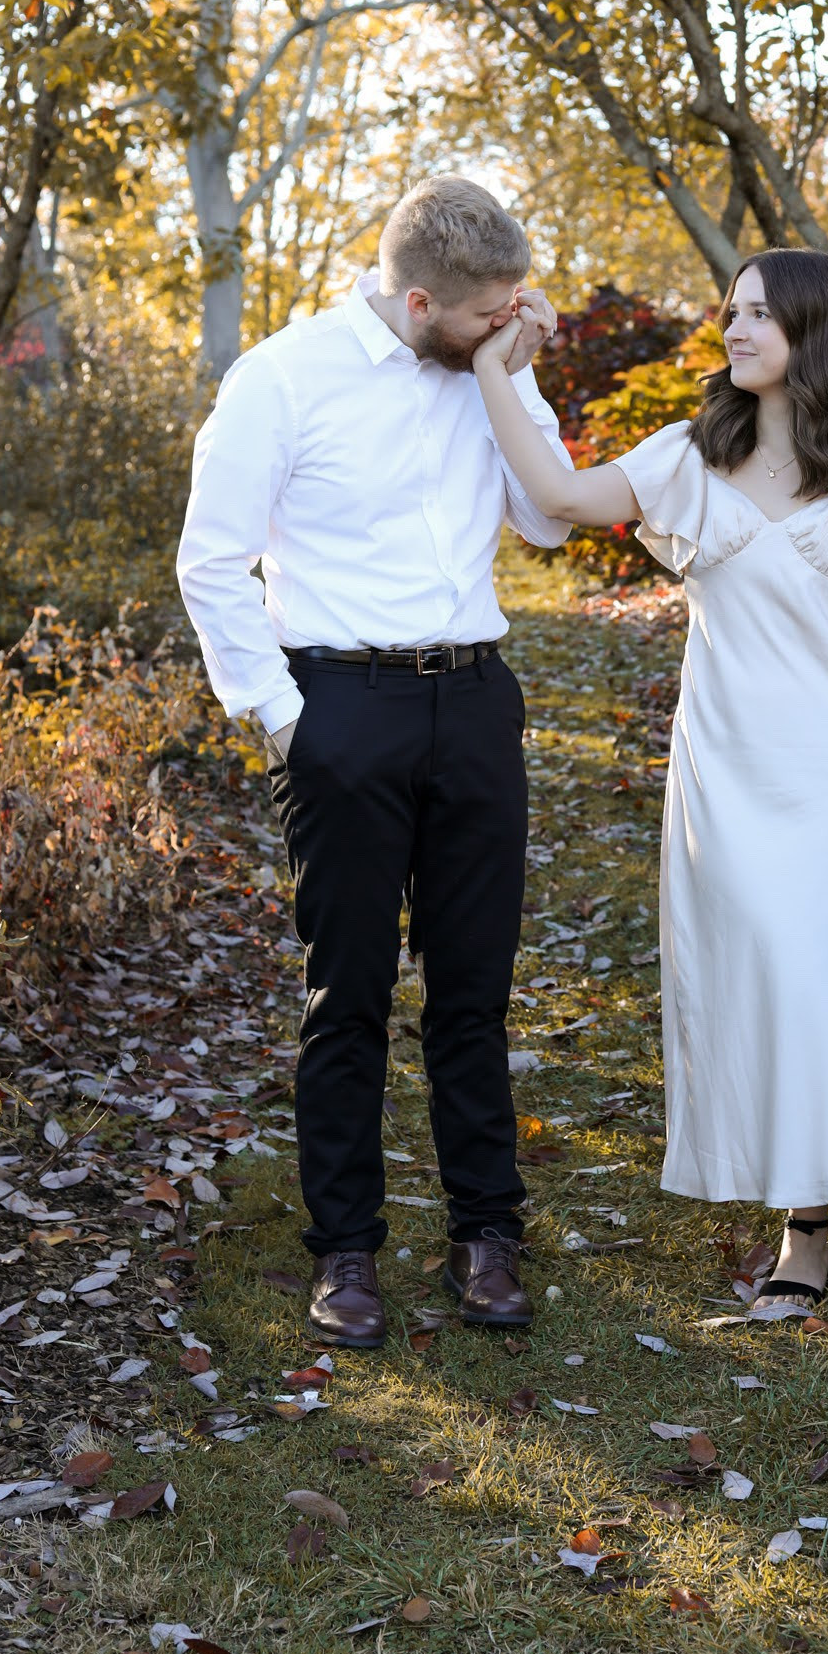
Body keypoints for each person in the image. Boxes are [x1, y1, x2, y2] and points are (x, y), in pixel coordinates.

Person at [473, 247, 828, 1367]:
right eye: (729, 312)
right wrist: (502, 366)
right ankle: (803, 1237)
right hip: (727, 779)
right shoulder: (690, 457)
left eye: (758, 316)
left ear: (816, 335)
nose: (733, 330)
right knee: (769, 995)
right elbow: (555, 495)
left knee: (826, 998)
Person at [176, 176, 570, 1349]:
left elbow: (547, 521)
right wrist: (290, 724)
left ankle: (486, 1234)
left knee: (474, 989)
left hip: (477, 704)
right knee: (345, 993)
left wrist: (511, 372)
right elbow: (212, 564)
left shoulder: (491, 363)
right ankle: (344, 1251)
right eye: (496, 313)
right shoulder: (282, 379)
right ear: (416, 299)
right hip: (340, 705)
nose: (519, 320)